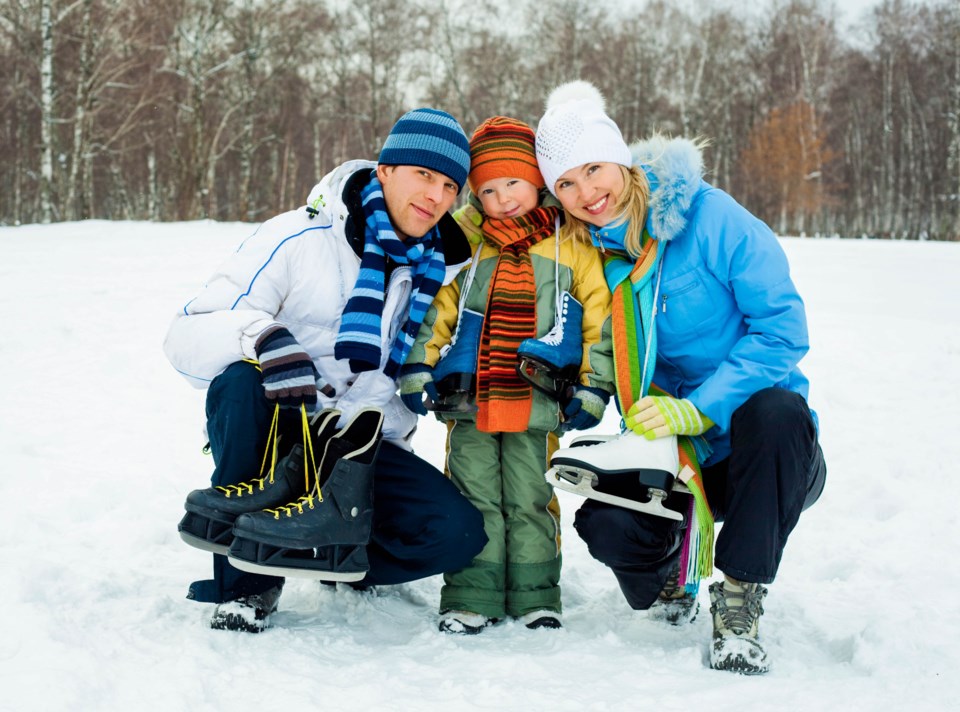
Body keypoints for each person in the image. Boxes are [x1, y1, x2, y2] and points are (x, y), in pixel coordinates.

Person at [534, 81, 827, 673]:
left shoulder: (710, 217)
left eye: (594, 169)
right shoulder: (585, 258)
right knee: (605, 521)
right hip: (673, 457)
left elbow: (783, 329)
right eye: (565, 182)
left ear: (620, 158)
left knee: (776, 412)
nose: (586, 193)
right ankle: (673, 568)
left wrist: (701, 407)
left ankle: (740, 594)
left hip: (765, 455)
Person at [163, 108, 487, 633]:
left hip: (356, 447)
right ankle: (249, 584)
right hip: (277, 429)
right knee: (241, 380)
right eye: (423, 175)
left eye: (451, 185)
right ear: (385, 170)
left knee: (456, 534)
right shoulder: (298, 238)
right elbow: (185, 335)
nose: (436, 196)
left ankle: (333, 553)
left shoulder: (444, 269)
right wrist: (263, 338)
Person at [399, 117, 615, 634]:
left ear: (537, 180)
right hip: (470, 401)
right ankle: (472, 593)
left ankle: (537, 593)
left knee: (529, 498)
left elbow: (598, 320)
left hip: (540, 400)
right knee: (475, 497)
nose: (503, 199)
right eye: (488, 189)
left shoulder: (571, 243)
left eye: (513, 183)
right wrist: (417, 369)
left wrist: (593, 385)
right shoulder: (466, 242)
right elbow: (438, 309)